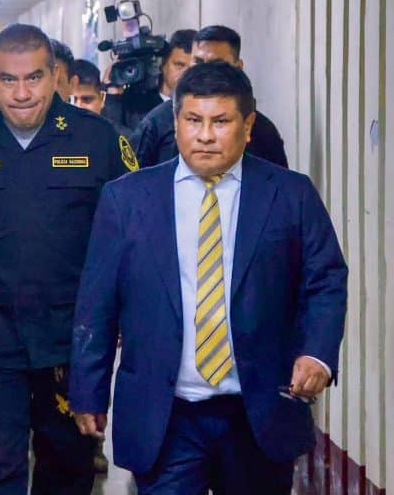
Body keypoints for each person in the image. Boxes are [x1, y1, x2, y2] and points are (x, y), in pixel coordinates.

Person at [70, 61, 347, 493]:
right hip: (165, 413)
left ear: (248, 124)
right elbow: (97, 300)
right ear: (176, 121)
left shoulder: (289, 194)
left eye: (220, 122)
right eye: (192, 120)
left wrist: (317, 353)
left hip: (258, 410)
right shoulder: (127, 200)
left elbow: (325, 280)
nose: (204, 136)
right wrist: (88, 389)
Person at [0, 24, 136, 495]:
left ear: (55, 75)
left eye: (33, 78)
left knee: (69, 468)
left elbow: (133, 241)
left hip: (70, 342)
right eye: (8, 80)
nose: (20, 93)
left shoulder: (98, 141)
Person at [132, 25, 289, 169]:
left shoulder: (264, 132)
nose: (205, 137)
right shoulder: (156, 123)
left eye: (221, 122)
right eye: (198, 62)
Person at [159, 29, 197, 101]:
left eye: (193, 69)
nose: (186, 74)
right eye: (179, 65)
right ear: (163, 65)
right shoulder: (137, 107)